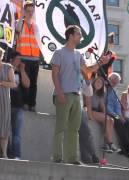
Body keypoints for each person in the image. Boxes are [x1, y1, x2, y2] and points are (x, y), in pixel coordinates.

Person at [51, 25, 110, 164]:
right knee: (61, 127)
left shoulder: (79, 55)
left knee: (74, 128)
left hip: (77, 96)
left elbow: (88, 71)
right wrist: (59, 92)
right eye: (78, 34)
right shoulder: (59, 53)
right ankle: (57, 157)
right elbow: (54, 75)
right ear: (70, 35)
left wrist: (101, 62)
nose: (81, 37)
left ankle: (72, 158)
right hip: (63, 94)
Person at [15, 0, 41, 111]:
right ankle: (24, 103)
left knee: (33, 83)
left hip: (35, 58)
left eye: (32, 11)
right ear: (24, 11)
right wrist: (22, 16)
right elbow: (17, 29)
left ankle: (32, 104)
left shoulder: (36, 25)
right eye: (28, 11)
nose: (30, 13)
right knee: (24, 83)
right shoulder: (20, 22)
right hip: (24, 58)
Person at [86, 77, 119, 153]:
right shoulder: (89, 90)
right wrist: (91, 117)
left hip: (96, 111)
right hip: (88, 110)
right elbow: (88, 105)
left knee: (111, 120)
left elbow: (102, 106)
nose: (99, 84)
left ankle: (105, 144)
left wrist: (105, 115)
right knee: (106, 119)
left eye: (100, 83)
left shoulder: (100, 94)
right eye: (97, 82)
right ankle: (110, 143)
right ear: (93, 83)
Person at [8, 51, 30, 159]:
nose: (19, 61)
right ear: (11, 60)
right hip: (6, 104)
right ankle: (6, 154)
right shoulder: (6, 69)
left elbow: (27, 84)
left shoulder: (21, 72)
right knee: (6, 132)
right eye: (17, 59)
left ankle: (16, 155)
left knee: (17, 134)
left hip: (18, 106)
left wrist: (22, 70)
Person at [79, 79, 99, 164]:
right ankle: (92, 154)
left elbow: (89, 94)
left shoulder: (82, 77)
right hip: (68, 102)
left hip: (80, 108)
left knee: (85, 131)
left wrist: (87, 83)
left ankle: (88, 157)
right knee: (84, 130)